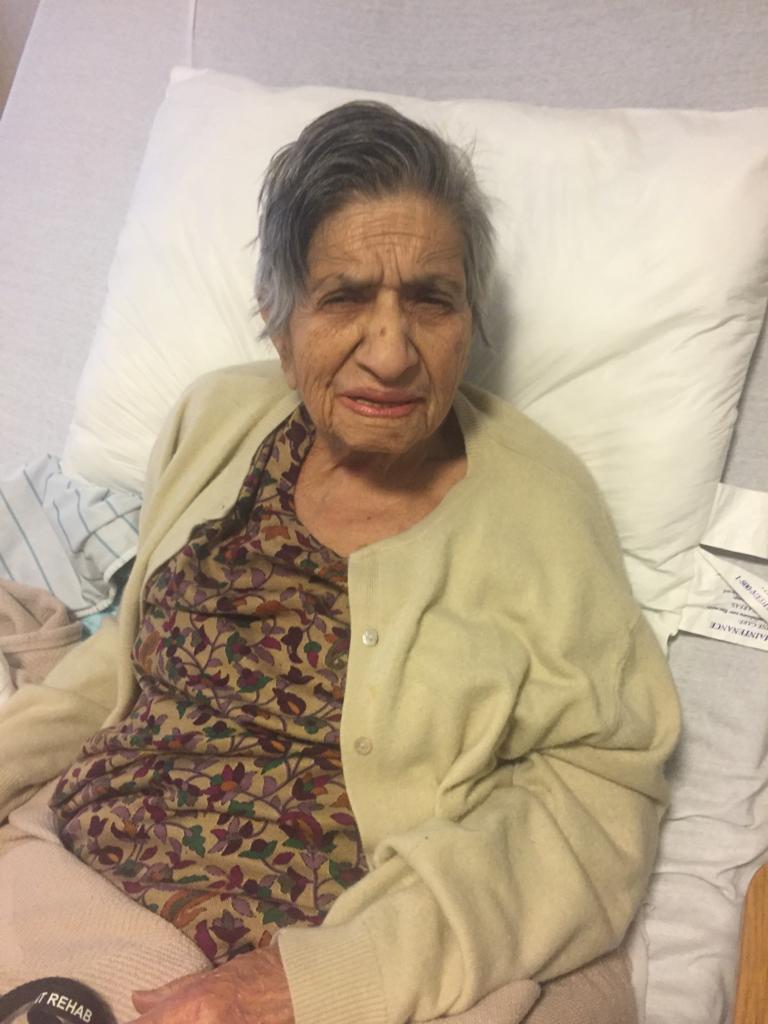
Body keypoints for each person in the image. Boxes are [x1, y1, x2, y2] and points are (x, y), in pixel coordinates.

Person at [0, 101, 679, 1024]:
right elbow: (128, 655)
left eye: (431, 299)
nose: (391, 353)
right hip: (65, 879)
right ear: (280, 327)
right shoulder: (216, 422)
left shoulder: (542, 509)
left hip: (307, 960)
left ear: (470, 320)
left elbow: (600, 794)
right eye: (345, 297)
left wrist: (320, 981)